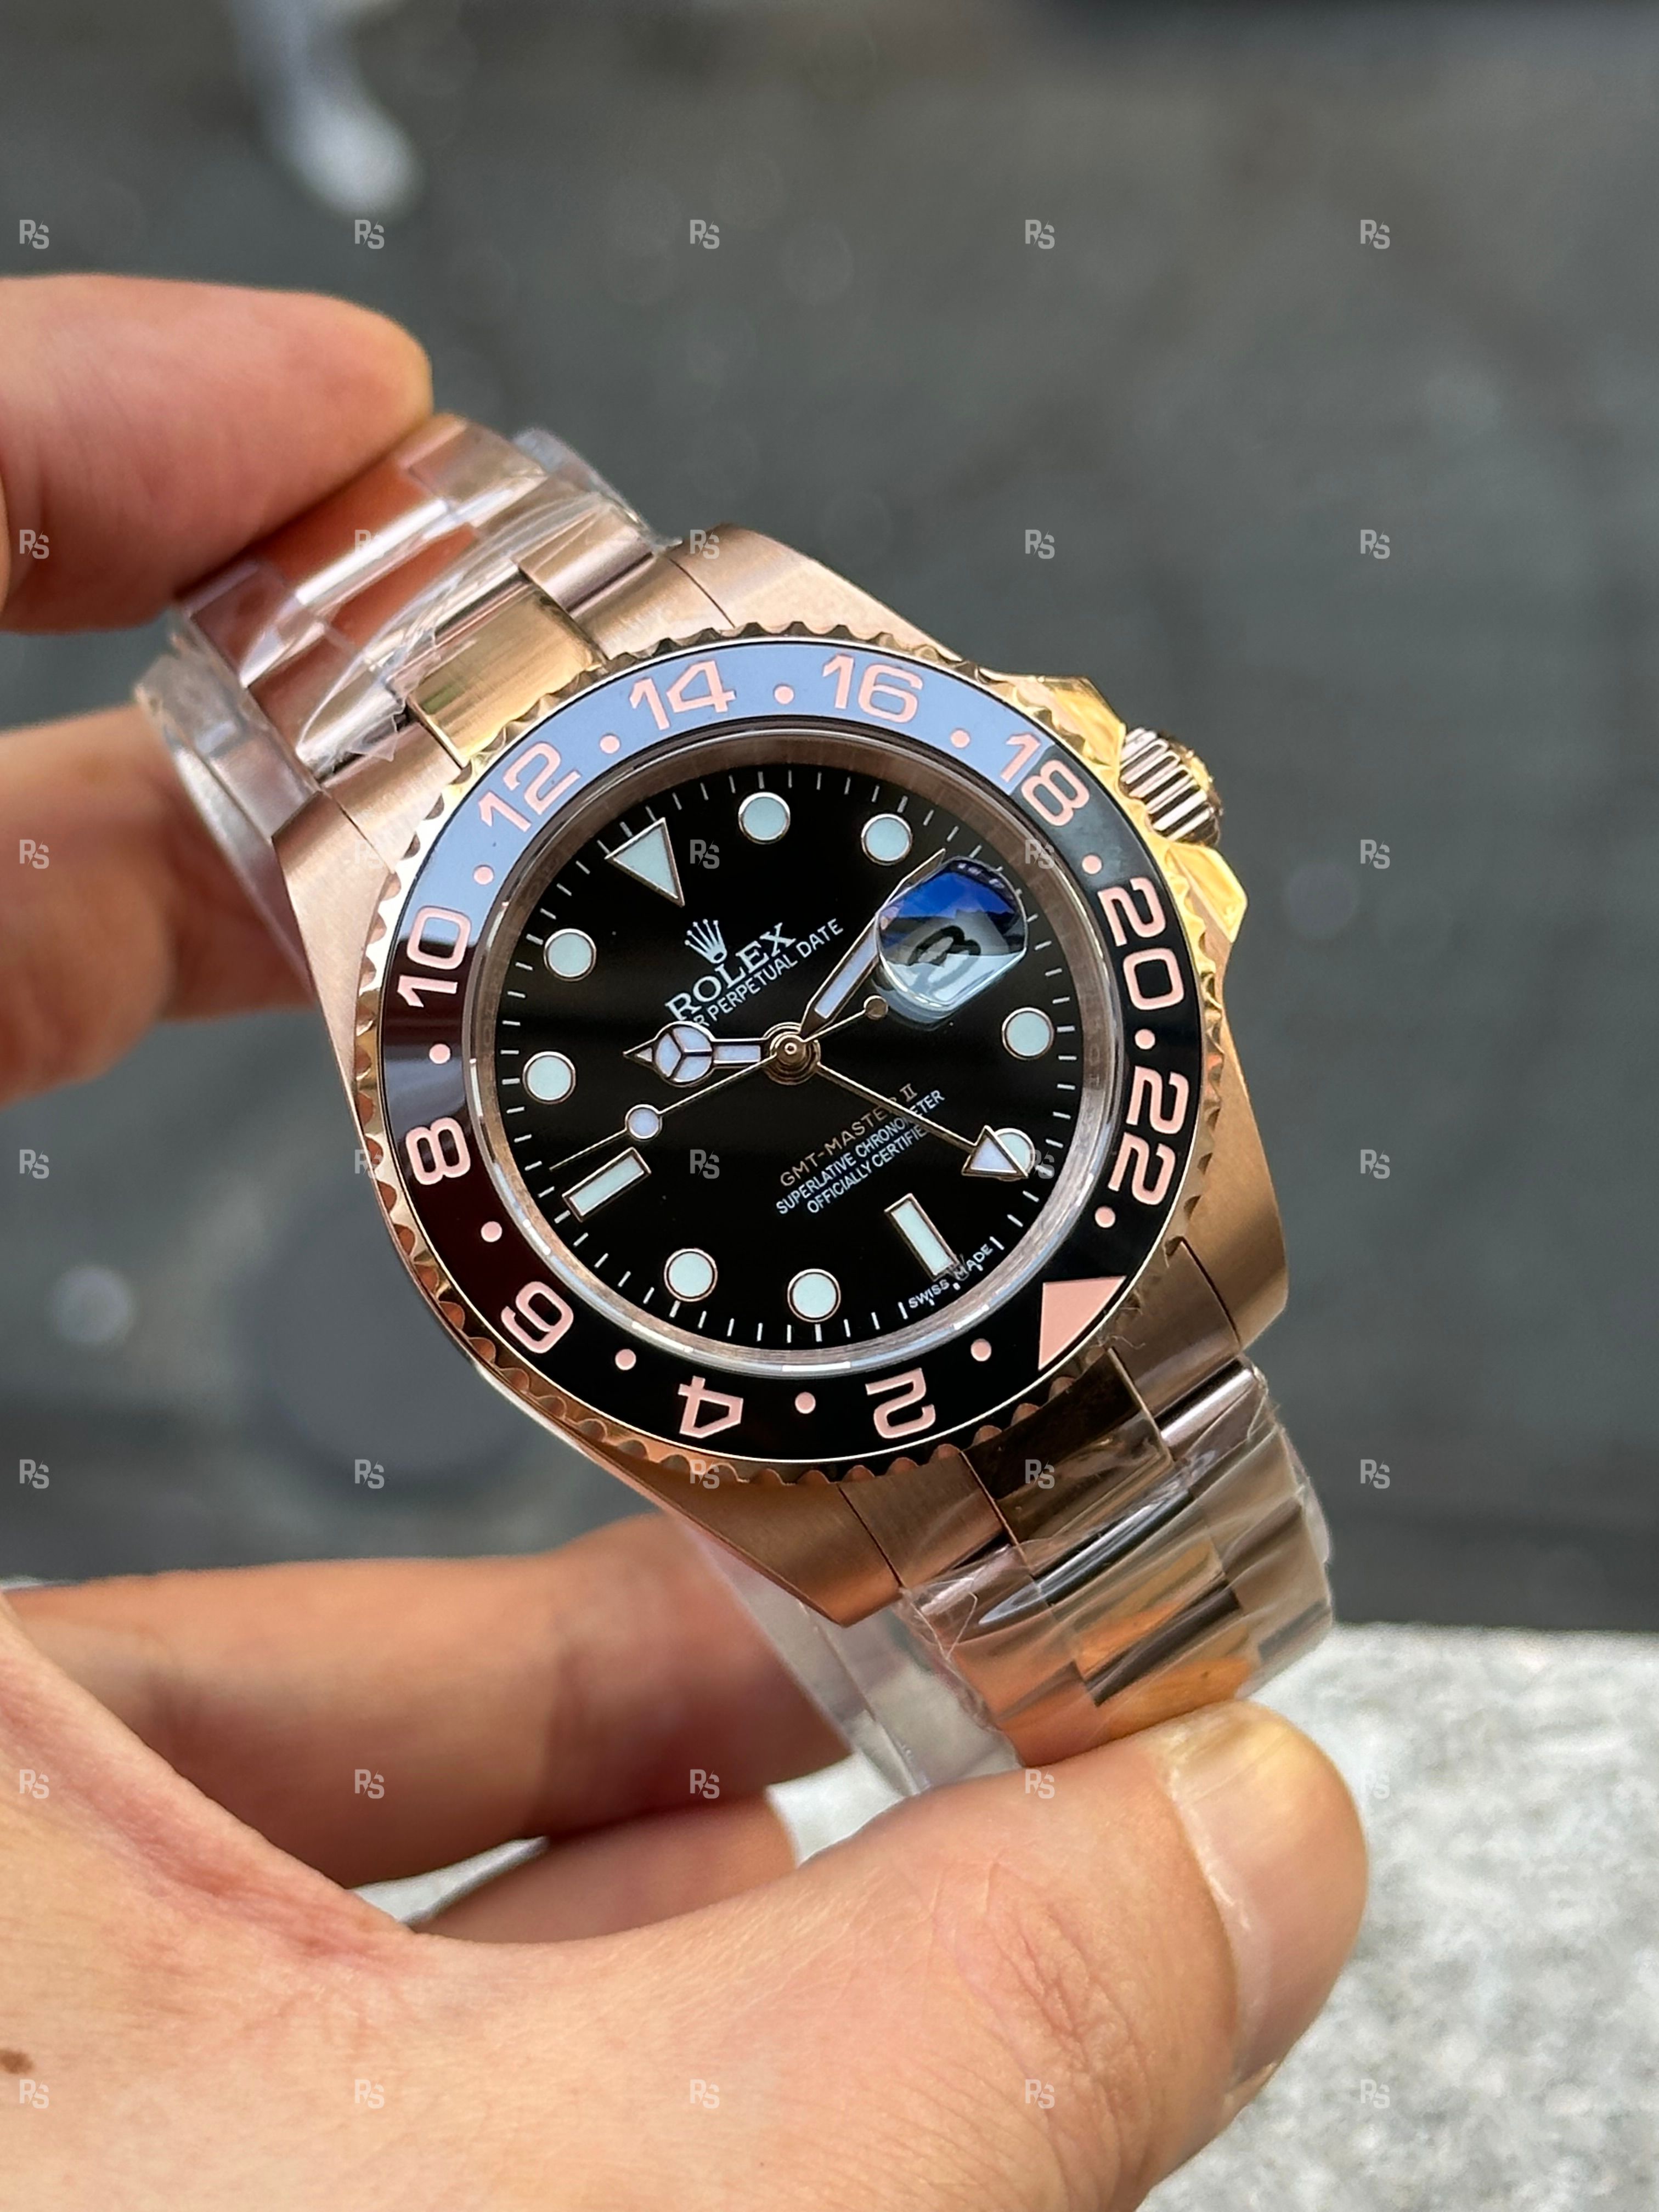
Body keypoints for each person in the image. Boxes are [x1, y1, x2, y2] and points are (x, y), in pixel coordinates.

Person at [0, 274, 1365, 2210]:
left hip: (992, 1292)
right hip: (877, 1410)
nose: (793, 1052)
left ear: (1134, 843)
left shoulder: (742, 651)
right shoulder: (368, 892)